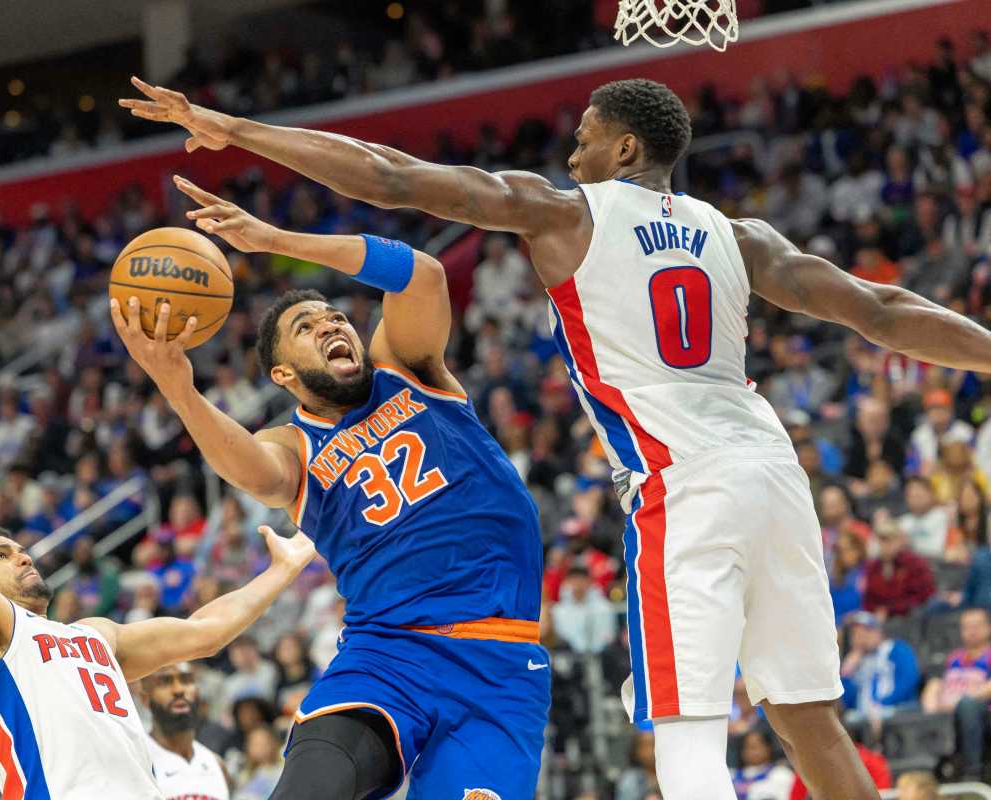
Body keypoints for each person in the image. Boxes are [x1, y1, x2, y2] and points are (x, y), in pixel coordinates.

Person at [122, 73, 991, 800]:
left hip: (678, 482)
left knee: (686, 730)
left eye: (584, 137)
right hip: (769, 466)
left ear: (622, 150)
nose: (570, 152)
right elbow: (882, 311)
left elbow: (393, 180)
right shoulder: (739, 236)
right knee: (807, 718)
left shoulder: (561, 217)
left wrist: (234, 131)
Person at [109, 176, 547, 799]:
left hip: (499, 663)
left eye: (334, 316)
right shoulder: (293, 445)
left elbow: (422, 274)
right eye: (307, 328)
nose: (330, 325)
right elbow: (249, 471)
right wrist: (179, 388)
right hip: (386, 655)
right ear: (283, 372)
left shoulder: (406, 367)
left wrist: (274, 239)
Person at [0, 370, 314, 798]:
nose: (22, 555)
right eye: (1, 554)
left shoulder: (96, 634)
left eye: (20, 547)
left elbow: (205, 631)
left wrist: (281, 570)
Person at [136, 662, 231, 800]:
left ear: (198, 692)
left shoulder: (216, 763)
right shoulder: (136, 759)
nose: (179, 690)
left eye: (186, 681)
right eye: (165, 682)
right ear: (145, 698)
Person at [919, 607, 991, 779]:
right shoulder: (954, 658)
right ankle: (930, 775)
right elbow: (936, 683)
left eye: (977, 626)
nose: (971, 631)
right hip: (951, 716)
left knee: (967, 706)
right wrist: (931, 702)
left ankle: (973, 773)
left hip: (983, 715)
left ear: (988, 627)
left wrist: (959, 701)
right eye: (967, 627)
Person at [839, 611, 921, 727]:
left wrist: (881, 704)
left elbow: (908, 680)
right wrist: (847, 672)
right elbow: (848, 702)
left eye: (866, 631)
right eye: (856, 634)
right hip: (863, 715)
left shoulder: (897, 649)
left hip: (896, 709)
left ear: (878, 632)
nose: (861, 638)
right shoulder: (856, 661)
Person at [862, 517, 936, 618]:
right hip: (879, 619)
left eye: (890, 540)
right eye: (882, 540)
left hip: (909, 618)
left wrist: (890, 610)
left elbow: (923, 596)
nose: (885, 545)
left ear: (900, 540)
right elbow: (869, 599)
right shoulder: (872, 567)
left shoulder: (915, 563)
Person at [731, 728, 796, 800]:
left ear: (768, 748)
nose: (752, 752)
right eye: (748, 747)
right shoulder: (731, 775)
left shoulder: (781, 774)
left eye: (755, 747)